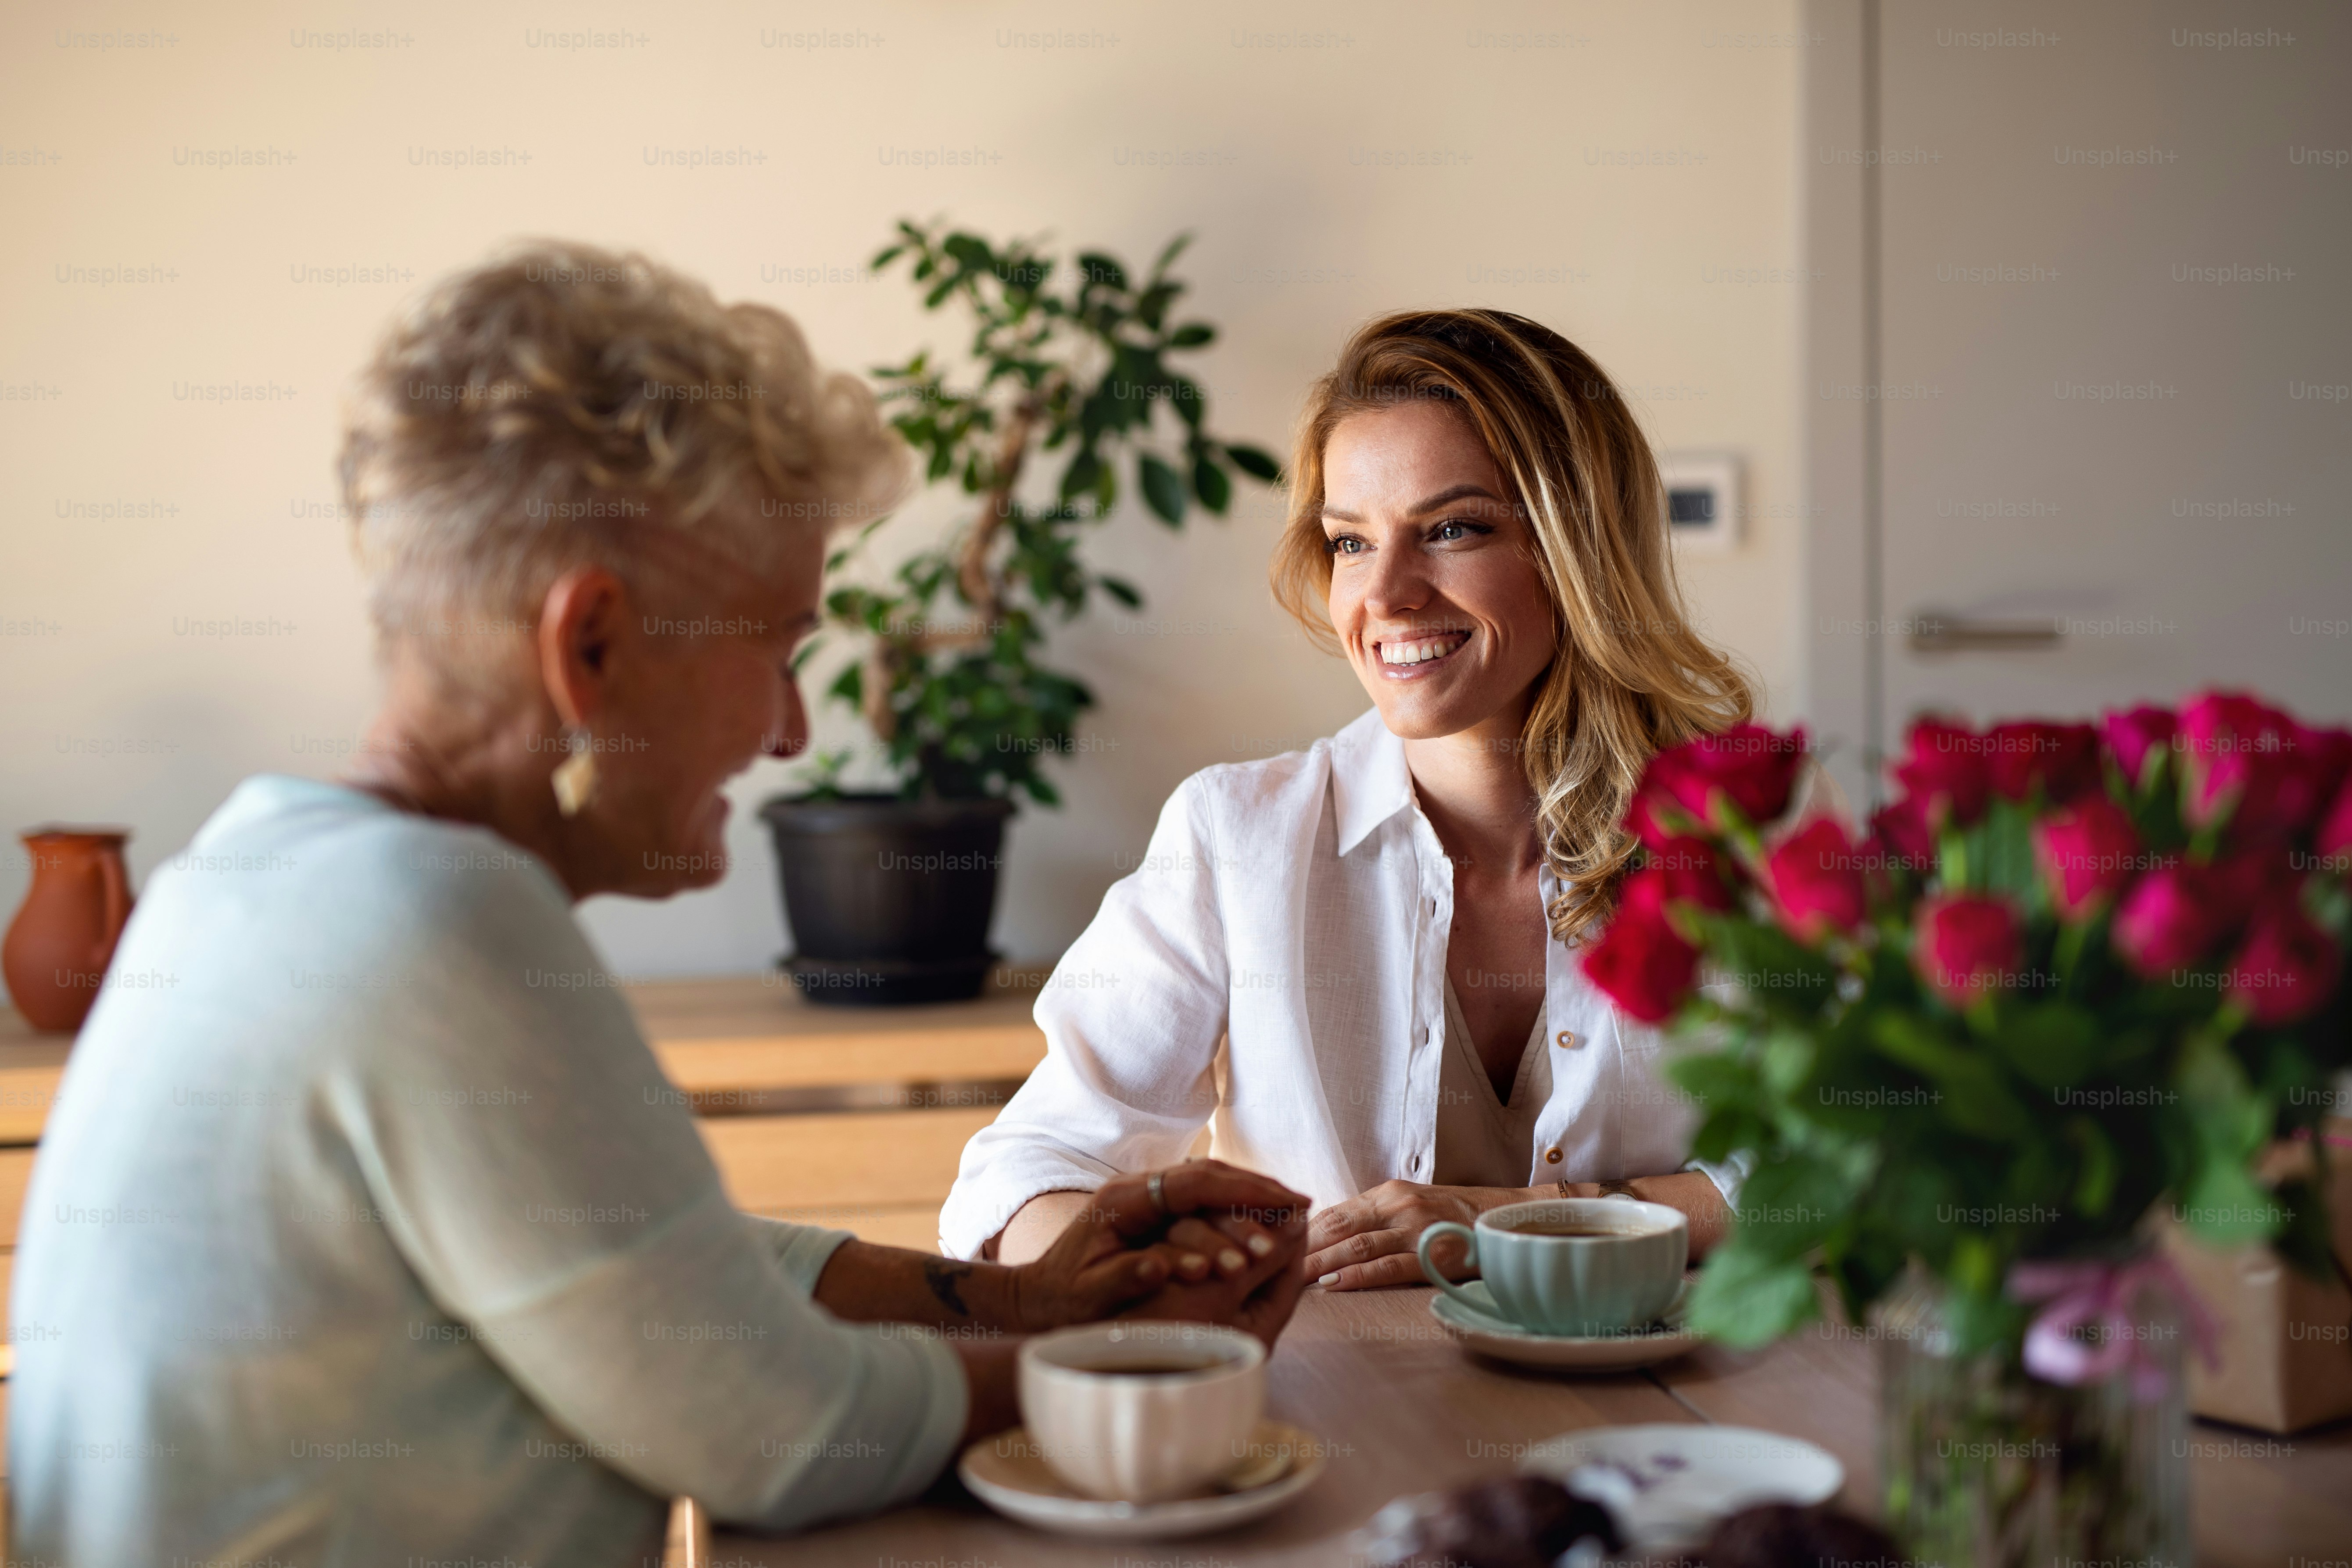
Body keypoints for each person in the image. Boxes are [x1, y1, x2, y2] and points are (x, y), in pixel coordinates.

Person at [8, 243, 1309, 1568]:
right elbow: (776, 1434)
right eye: (780, 647)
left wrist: (1012, 1297)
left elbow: (647, 1260)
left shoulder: (261, 874)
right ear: (592, 646)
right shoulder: (429, 921)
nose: (794, 731)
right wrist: (1134, 1365)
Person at [942, 309, 1761, 1286]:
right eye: (1348, 542)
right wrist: (1171, 1267)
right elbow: (1021, 1172)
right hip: (1343, 1419)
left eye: (1451, 529)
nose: (1386, 596)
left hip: (1674, 1420)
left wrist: (1499, 1220)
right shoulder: (1233, 836)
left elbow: (1844, 1166)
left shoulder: (1750, 831)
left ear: (1576, 547)